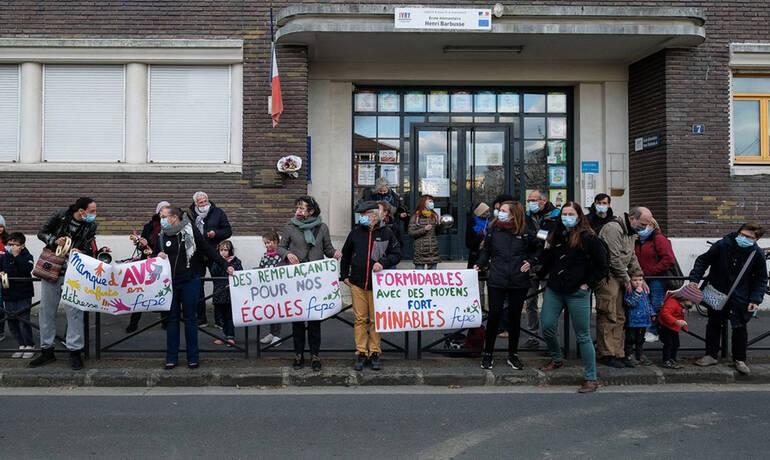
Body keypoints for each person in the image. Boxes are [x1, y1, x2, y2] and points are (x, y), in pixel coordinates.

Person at [30, 197, 109, 370]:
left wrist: (85, 251)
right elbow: (41, 233)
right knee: (46, 310)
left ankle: (75, 351)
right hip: (52, 269)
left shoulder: (91, 226)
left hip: (75, 272)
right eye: (92, 211)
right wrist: (54, 240)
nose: (95, 214)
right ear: (81, 211)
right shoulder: (60, 216)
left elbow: (88, 247)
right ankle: (47, 350)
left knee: (75, 311)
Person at [537, 202, 607, 393]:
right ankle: (557, 358)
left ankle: (591, 378)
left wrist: (587, 285)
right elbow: (549, 260)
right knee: (548, 325)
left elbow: (602, 265)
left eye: (570, 213)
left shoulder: (589, 238)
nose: (567, 217)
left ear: (578, 216)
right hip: (555, 288)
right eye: (564, 214)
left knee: (583, 335)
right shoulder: (557, 234)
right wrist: (538, 270)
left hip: (577, 292)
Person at [155, 206, 234, 370]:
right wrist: (158, 255)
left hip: (190, 280)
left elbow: (207, 248)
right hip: (170, 283)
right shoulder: (162, 235)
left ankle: (193, 357)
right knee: (172, 320)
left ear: (174, 217)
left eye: (163, 216)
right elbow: (156, 255)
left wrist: (225, 265)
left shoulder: (190, 231)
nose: (161, 219)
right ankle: (171, 357)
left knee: (191, 319)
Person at [689, 222, 768, 375]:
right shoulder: (723, 245)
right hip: (717, 291)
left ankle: (739, 359)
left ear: (756, 240)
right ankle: (711, 355)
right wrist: (694, 279)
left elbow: (761, 279)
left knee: (739, 327)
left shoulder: (756, 253)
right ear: (738, 232)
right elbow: (703, 260)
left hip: (741, 296)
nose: (744, 238)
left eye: (749, 237)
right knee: (713, 323)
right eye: (743, 234)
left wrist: (755, 300)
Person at [277, 195, 341, 372]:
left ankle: (315, 355)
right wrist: (287, 255)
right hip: (297, 279)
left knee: (314, 320)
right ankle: (298, 354)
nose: (298, 211)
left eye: (302, 208)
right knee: (297, 319)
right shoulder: (290, 226)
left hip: (315, 280)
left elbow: (327, 249)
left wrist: (335, 253)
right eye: (297, 207)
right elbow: (281, 247)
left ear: (311, 211)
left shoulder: (322, 227)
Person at [474, 201, 540, 370]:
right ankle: (488, 353)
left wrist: (531, 262)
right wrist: (479, 264)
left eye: (503, 210)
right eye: (499, 210)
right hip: (497, 279)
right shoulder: (493, 230)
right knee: (494, 316)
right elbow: (486, 251)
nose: (499, 212)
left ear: (513, 214)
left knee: (514, 318)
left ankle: (513, 354)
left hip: (518, 281)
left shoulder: (525, 231)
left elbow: (539, 249)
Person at [340, 201, 402, 371]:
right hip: (358, 283)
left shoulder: (387, 233)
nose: (362, 217)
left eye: (365, 214)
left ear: (375, 215)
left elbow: (396, 254)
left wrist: (383, 262)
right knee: (360, 319)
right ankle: (361, 352)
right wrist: (344, 276)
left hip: (377, 285)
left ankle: (375, 352)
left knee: (375, 320)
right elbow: (345, 255)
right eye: (361, 214)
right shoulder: (355, 233)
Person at [595, 206, 649, 368]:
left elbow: (632, 257)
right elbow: (613, 258)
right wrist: (627, 279)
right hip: (608, 278)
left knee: (620, 317)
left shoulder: (631, 232)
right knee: (608, 315)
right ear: (632, 218)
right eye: (643, 223)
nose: (644, 227)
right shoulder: (613, 229)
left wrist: (639, 277)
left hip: (620, 277)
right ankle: (606, 353)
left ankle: (618, 353)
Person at [523, 189, 561, 349]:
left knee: (550, 302)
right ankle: (533, 336)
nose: (530, 202)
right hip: (530, 263)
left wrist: (538, 239)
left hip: (549, 264)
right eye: (529, 200)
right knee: (530, 302)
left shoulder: (556, 216)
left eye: (533, 199)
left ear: (543, 201)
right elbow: (527, 237)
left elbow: (555, 239)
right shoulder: (527, 216)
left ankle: (552, 339)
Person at [188, 191, 232, 326]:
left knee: (219, 284)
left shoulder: (218, 212)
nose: (203, 204)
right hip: (196, 254)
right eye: (200, 202)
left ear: (208, 200)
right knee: (198, 284)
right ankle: (201, 318)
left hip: (213, 252)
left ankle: (220, 319)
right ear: (196, 203)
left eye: (205, 201)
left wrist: (215, 233)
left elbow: (228, 231)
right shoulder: (190, 214)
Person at [126, 200, 170, 333]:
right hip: (148, 262)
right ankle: (133, 323)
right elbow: (140, 246)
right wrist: (142, 243)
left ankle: (166, 321)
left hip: (164, 262)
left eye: (167, 209)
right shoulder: (149, 226)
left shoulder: (172, 225)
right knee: (142, 291)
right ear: (157, 212)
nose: (165, 212)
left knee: (164, 290)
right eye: (162, 210)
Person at [634, 216, 676, 343]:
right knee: (643, 304)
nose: (641, 229)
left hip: (657, 277)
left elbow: (668, 259)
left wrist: (651, 271)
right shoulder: (638, 240)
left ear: (653, 226)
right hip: (642, 278)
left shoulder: (659, 239)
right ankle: (642, 331)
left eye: (645, 226)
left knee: (656, 304)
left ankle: (655, 330)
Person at [0, 232, 35, 358]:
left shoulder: (27, 256)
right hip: (8, 292)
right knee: (11, 320)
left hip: (23, 293)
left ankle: (29, 345)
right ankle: (21, 345)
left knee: (24, 320)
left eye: (15, 244)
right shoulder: (5, 257)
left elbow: (27, 269)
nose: (12, 247)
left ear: (22, 246)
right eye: (10, 244)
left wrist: (17, 256)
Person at [658, 285, 704, 369]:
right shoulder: (672, 302)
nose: (692, 305)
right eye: (692, 302)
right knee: (669, 344)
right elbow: (665, 313)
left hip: (674, 327)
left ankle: (672, 359)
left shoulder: (682, 304)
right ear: (686, 298)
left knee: (675, 344)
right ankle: (666, 360)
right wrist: (676, 321)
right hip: (666, 327)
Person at [210, 240, 242, 347]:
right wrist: (221, 263)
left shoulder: (236, 261)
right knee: (221, 317)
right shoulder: (216, 261)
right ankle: (224, 335)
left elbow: (239, 273)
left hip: (230, 293)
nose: (223, 252)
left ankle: (230, 337)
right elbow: (213, 272)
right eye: (221, 250)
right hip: (219, 293)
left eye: (225, 250)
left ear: (230, 251)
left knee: (229, 316)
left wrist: (229, 266)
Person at [258, 230, 284, 347]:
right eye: (265, 243)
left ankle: (277, 335)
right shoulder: (265, 256)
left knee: (278, 311)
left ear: (276, 242)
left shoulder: (281, 256)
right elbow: (260, 268)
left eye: (269, 243)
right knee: (271, 311)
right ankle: (271, 333)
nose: (267, 245)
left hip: (279, 289)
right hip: (268, 289)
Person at [623, 271, 654, 366]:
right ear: (630, 281)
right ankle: (629, 355)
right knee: (630, 339)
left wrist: (652, 313)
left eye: (640, 280)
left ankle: (639, 355)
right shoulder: (629, 290)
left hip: (643, 321)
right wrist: (636, 293)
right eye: (635, 280)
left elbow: (648, 303)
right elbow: (630, 303)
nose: (638, 282)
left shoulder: (644, 291)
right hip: (633, 321)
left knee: (640, 339)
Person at [408, 194, 440, 270]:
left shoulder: (434, 215)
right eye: (430, 201)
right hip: (420, 251)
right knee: (419, 277)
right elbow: (411, 233)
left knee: (432, 277)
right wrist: (424, 229)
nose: (432, 203)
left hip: (432, 250)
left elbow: (437, 233)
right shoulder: (416, 216)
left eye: (432, 201)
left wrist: (440, 225)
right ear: (423, 203)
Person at [465, 202, 491, 269]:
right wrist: (480, 237)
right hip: (475, 255)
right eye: (486, 212)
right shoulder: (472, 223)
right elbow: (468, 243)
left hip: (488, 255)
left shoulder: (490, 223)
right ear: (481, 212)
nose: (489, 213)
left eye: (489, 211)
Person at [0, 214, 8, 342]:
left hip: (3, 277)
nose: (0, 228)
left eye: (1, 226)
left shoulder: (8, 241)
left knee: (0, 305)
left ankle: (1, 331)